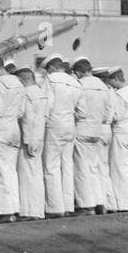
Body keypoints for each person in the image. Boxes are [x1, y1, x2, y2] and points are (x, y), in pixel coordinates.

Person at [0, 52, 24, 224]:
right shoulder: (18, 82)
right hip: (15, 127)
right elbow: (22, 111)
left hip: (1, 129)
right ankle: (14, 209)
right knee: (10, 172)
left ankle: (3, 212)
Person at [42, 54, 81, 218]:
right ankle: (68, 205)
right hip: (70, 124)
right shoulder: (75, 82)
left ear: (51, 67)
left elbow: (47, 105)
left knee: (51, 166)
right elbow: (80, 108)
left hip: (55, 124)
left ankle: (55, 207)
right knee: (67, 165)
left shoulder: (51, 80)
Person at [72, 57, 112, 216]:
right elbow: (107, 112)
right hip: (98, 130)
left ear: (80, 72)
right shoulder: (103, 87)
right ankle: (100, 202)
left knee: (82, 169)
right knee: (94, 167)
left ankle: (86, 206)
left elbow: (78, 110)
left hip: (82, 129)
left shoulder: (80, 85)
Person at [104, 66, 128, 211]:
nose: (109, 84)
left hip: (120, 131)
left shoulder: (120, 95)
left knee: (119, 168)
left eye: (110, 81)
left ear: (115, 79)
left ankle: (125, 204)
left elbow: (116, 116)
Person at [13, 62, 47, 221]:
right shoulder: (41, 93)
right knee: (37, 175)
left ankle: (28, 212)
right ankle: (38, 210)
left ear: (22, 80)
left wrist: (26, 140)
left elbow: (25, 118)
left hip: (28, 138)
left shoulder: (25, 94)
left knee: (26, 176)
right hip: (40, 137)